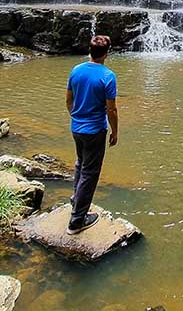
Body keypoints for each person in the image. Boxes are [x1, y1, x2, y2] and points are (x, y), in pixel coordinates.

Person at [65, 34, 119, 234]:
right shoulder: (107, 76)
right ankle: (77, 221)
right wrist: (115, 132)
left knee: (80, 163)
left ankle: (76, 199)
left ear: (90, 51)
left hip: (76, 128)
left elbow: (69, 100)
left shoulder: (76, 70)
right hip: (95, 130)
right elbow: (111, 110)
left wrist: (77, 117)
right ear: (107, 54)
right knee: (90, 172)